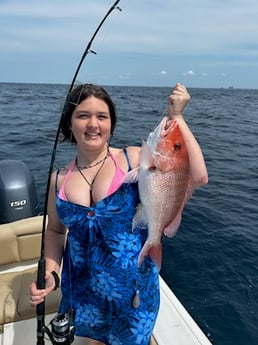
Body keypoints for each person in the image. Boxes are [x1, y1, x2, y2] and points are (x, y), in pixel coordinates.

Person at [30, 83, 208, 345]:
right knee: (93, 341)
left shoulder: (133, 159)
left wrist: (177, 117)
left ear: (111, 124)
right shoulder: (58, 180)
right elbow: (56, 231)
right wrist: (53, 272)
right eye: (82, 115)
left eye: (102, 116)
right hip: (84, 289)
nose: (93, 124)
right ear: (69, 123)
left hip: (133, 291)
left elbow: (198, 175)